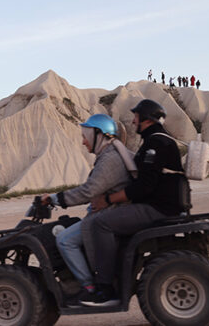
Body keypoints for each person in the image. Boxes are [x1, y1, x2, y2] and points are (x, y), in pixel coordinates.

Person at [79, 99, 187, 307]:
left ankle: (105, 287)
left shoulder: (155, 144)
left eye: (137, 117)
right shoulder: (157, 140)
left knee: (100, 223)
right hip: (162, 205)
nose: (134, 121)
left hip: (157, 208)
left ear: (146, 119)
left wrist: (108, 200)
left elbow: (142, 188)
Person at [40, 114, 134, 307]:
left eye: (85, 136)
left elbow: (89, 190)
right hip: (110, 212)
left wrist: (56, 198)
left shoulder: (110, 159)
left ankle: (90, 287)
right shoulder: (109, 155)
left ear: (98, 134)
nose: (83, 141)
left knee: (65, 240)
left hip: (110, 215)